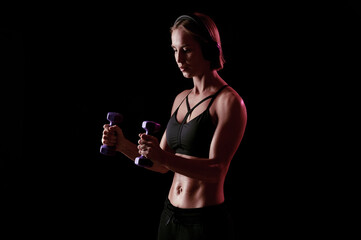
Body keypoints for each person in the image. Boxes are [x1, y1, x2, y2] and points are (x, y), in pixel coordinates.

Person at [102, 12, 247, 240]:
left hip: (204, 223)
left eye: (187, 50)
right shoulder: (180, 99)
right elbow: (160, 165)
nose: (179, 59)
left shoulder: (229, 102)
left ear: (208, 49)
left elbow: (216, 171)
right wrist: (121, 144)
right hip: (169, 217)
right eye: (175, 50)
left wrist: (163, 157)